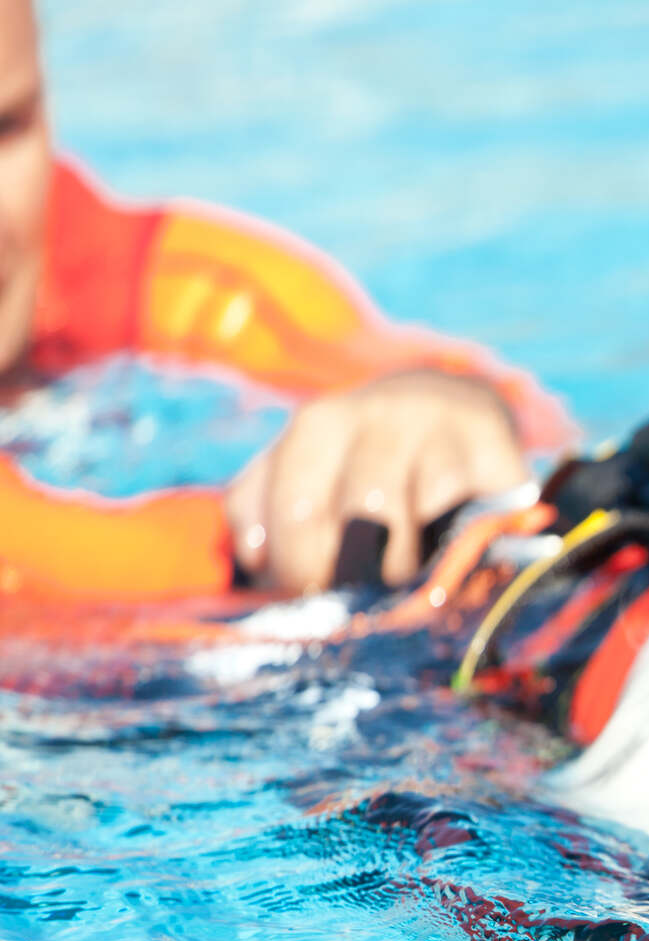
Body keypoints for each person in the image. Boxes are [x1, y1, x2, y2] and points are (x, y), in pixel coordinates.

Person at [0, 0, 573, 602]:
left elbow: (528, 424)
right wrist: (262, 554)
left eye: (6, 126)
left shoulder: (164, 284)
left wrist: (443, 424)